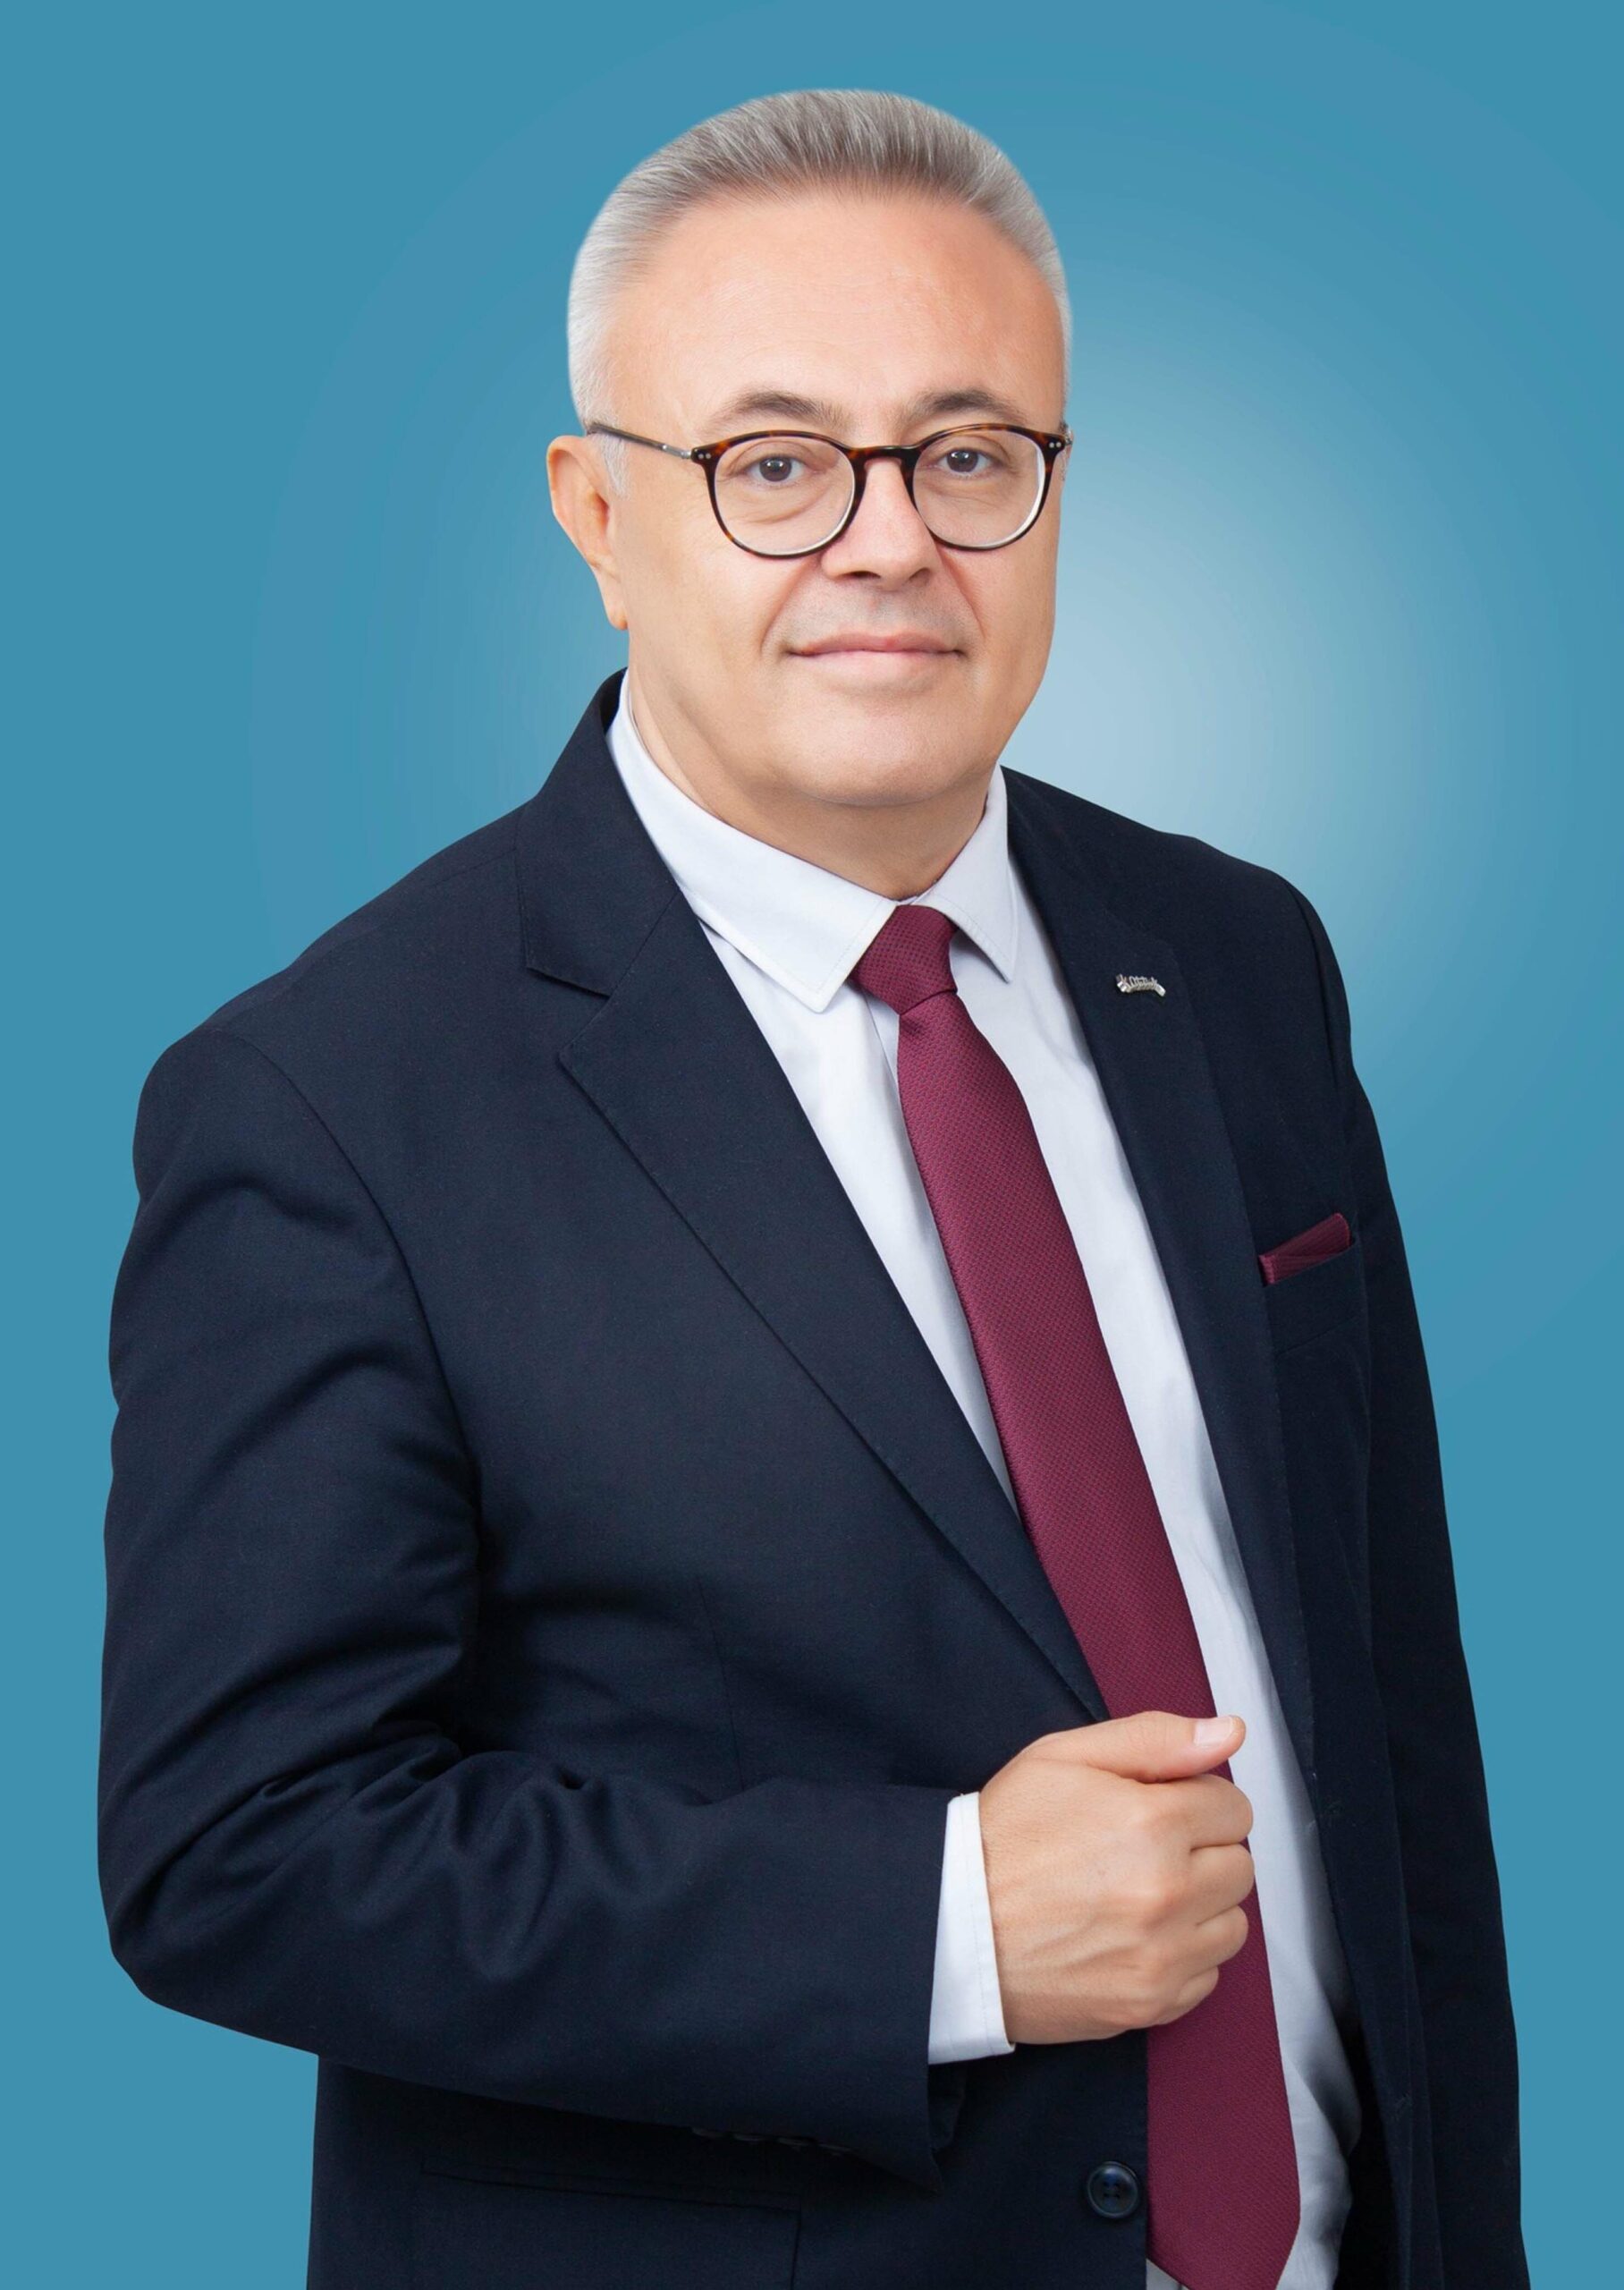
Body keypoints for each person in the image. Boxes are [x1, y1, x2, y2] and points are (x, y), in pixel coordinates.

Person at [97, 89, 1527, 2290]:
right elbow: (239, 1848)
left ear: (1054, 489)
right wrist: (938, 1924)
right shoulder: (327, 1099)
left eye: (965, 454)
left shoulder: (1237, 956)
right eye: (773, 465)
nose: (887, 543)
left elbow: (1387, 1722)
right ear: (597, 512)